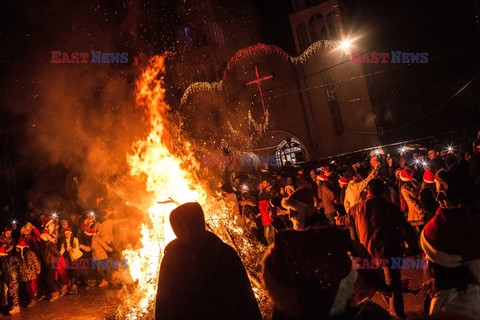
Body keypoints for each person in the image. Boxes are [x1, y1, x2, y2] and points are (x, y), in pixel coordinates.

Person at [155, 202, 262, 320]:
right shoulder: (171, 259)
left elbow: (245, 298)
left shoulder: (224, 254)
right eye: (180, 226)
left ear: (199, 224)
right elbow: (163, 302)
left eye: (190, 225)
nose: (187, 231)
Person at [336, 178, 419, 318]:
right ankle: (398, 316)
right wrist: (413, 246)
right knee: (393, 287)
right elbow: (406, 229)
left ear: (367, 192)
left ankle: (392, 314)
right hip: (389, 253)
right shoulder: (390, 207)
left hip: (368, 255)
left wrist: (338, 218)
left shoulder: (357, 208)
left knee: (382, 287)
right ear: (383, 192)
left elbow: (343, 221)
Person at [420, 165, 480, 317]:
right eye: (437, 192)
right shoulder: (449, 223)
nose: (438, 198)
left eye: (443, 192)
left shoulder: (460, 224)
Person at [16, 239, 41, 307]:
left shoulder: (30, 253)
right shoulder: (19, 255)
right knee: (27, 287)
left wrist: (38, 269)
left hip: (31, 272)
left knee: (31, 287)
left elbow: (35, 261)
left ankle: (33, 299)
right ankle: (30, 299)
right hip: (24, 274)